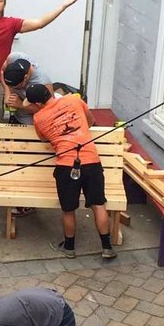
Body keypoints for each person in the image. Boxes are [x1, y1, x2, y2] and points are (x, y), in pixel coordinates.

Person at [26, 83, 115, 259]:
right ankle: (107, 247)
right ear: (49, 92)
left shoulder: (38, 118)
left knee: (68, 209)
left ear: (36, 104)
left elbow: (45, 138)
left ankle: (69, 248)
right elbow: (90, 121)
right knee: (98, 205)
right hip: (91, 161)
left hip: (66, 166)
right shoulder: (73, 101)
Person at [1, 56, 55, 126]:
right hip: (17, 117)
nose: (13, 89)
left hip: (32, 124)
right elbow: (2, 71)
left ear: (25, 77)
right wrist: (7, 91)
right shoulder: (14, 57)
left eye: (16, 87)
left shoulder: (43, 83)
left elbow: (49, 111)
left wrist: (21, 105)